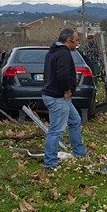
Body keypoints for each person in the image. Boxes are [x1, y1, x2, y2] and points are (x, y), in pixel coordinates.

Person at [41, 28, 87, 168]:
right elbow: (62, 75)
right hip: (59, 97)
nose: (78, 43)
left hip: (54, 95)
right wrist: (67, 91)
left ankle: (79, 153)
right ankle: (50, 163)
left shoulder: (53, 51)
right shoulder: (63, 54)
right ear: (69, 40)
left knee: (75, 120)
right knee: (56, 130)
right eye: (77, 40)